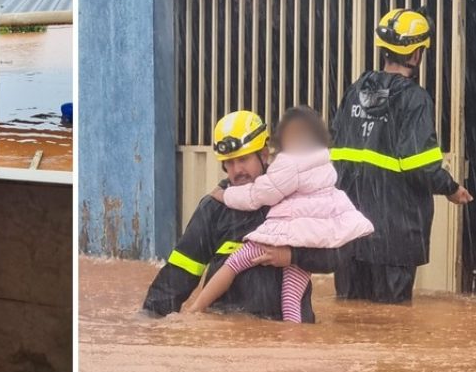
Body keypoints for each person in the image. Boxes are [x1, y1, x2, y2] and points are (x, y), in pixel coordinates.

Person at [142, 109, 352, 321]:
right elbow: (180, 272)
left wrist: (292, 256)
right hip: (226, 337)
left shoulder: (298, 196)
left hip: (289, 337)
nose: (237, 170)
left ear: (263, 154)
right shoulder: (213, 208)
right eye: (230, 163)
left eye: (243, 159)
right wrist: (150, 320)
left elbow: (338, 256)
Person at [331, 7, 473, 304]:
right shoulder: (414, 98)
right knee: (392, 328)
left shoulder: (355, 90)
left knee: (349, 324)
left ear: (384, 50)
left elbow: (336, 154)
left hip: (348, 234)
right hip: (393, 238)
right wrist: (450, 188)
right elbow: (419, 164)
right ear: (417, 55)